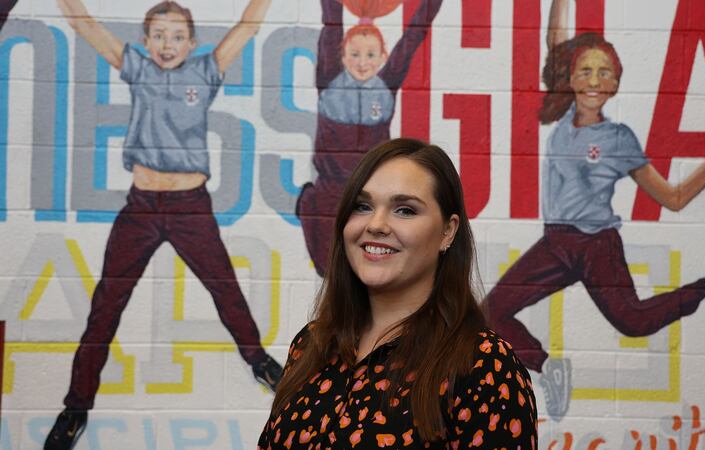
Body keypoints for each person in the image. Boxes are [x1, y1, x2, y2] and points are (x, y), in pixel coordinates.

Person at [485, 0, 705, 422]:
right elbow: (555, 41)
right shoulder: (563, 112)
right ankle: (549, 367)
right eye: (585, 70)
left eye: (605, 72)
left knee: (633, 323)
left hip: (596, 245)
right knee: (488, 314)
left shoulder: (619, 138)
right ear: (571, 77)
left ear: (616, 82)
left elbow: (673, 198)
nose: (594, 79)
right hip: (555, 242)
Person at [45, 1, 280, 449]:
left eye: (177, 37)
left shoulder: (206, 72)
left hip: (191, 205)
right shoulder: (137, 68)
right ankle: (75, 409)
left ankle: (259, 362)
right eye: (158, 35)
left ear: (192, 44)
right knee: (106, 305)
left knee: (224, 287)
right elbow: (83, 22)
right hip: (141, 207)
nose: (167, 44)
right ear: (145, 41)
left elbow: (249, 24)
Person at [259, 138, 538, 449]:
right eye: (362, 206)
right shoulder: (310, 344)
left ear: (447, 231)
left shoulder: (484, 366)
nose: (376, 224)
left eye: (405, 210)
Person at [297, 0, 443, 277]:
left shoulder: (386, 86)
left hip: (370, 196)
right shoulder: (329, 80)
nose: (362, 62)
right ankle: (308, 203)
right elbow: (331, 22)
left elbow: (413, 37)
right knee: (328, 269)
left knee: (366, 274)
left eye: (370, 55)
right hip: (329, 193)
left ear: (382, 58)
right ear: (342, 56)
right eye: (354, 54)